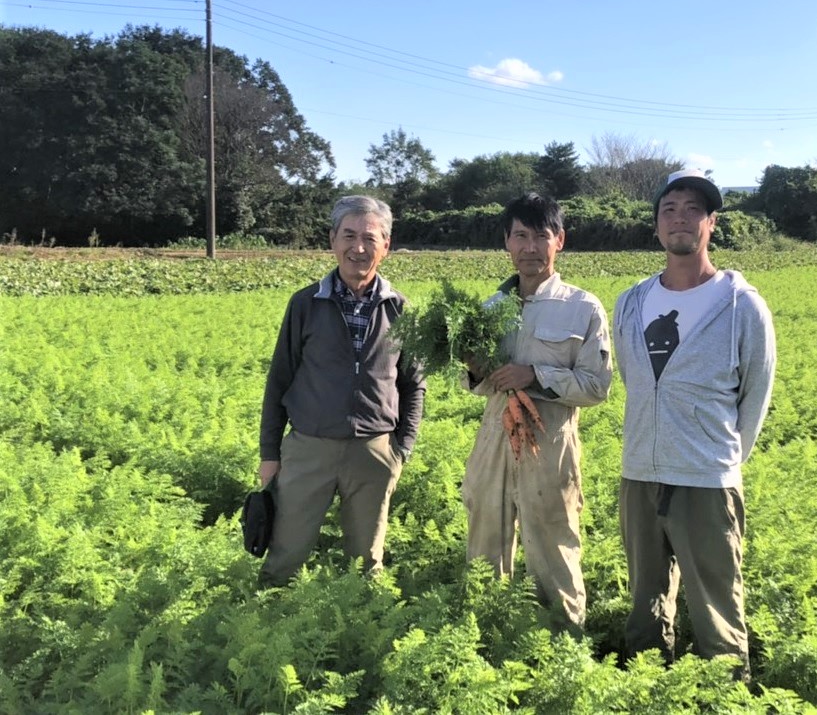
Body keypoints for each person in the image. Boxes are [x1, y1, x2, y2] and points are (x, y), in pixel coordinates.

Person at [613, 169, 776, 679]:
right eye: (669, 209)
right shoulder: (633, 301)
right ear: (657, 226)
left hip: (706, 477)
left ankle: (725, 690)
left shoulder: (740, 304)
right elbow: (633, 378)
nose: (680, 218)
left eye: (692, 209)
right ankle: (645, 682)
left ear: (711, 223)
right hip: (640, 470)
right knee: (644, 596)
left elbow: (756, 395)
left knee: (715, 602)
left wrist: (718, 456)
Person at [461, 192, 613, 629]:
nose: (530, 247)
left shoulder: (583, 307)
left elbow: (596, 386)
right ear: (506, 243)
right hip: (494, 437)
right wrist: (474, 368)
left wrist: (537, 375)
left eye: (540, 236)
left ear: (559, 240)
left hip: (549, 441)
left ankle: (565, 643)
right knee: (484, 540)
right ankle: (485, 639)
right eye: (520, 236)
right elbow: (478, 387)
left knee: (553, 545)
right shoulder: (489, 308)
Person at [258, 195, 426, 586]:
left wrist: (402, 449)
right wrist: (270, 454)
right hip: (308, 448)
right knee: (285, 555)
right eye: (348, 235)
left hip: (374, 451)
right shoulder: (305, 304)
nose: (358, 247)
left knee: (366, 564)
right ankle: (268, 630)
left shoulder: (401, 309)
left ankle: (359, 634)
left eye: (370, 238)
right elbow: (279, 380)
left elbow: (413, 383)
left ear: (386, 245)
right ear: (332, 239)